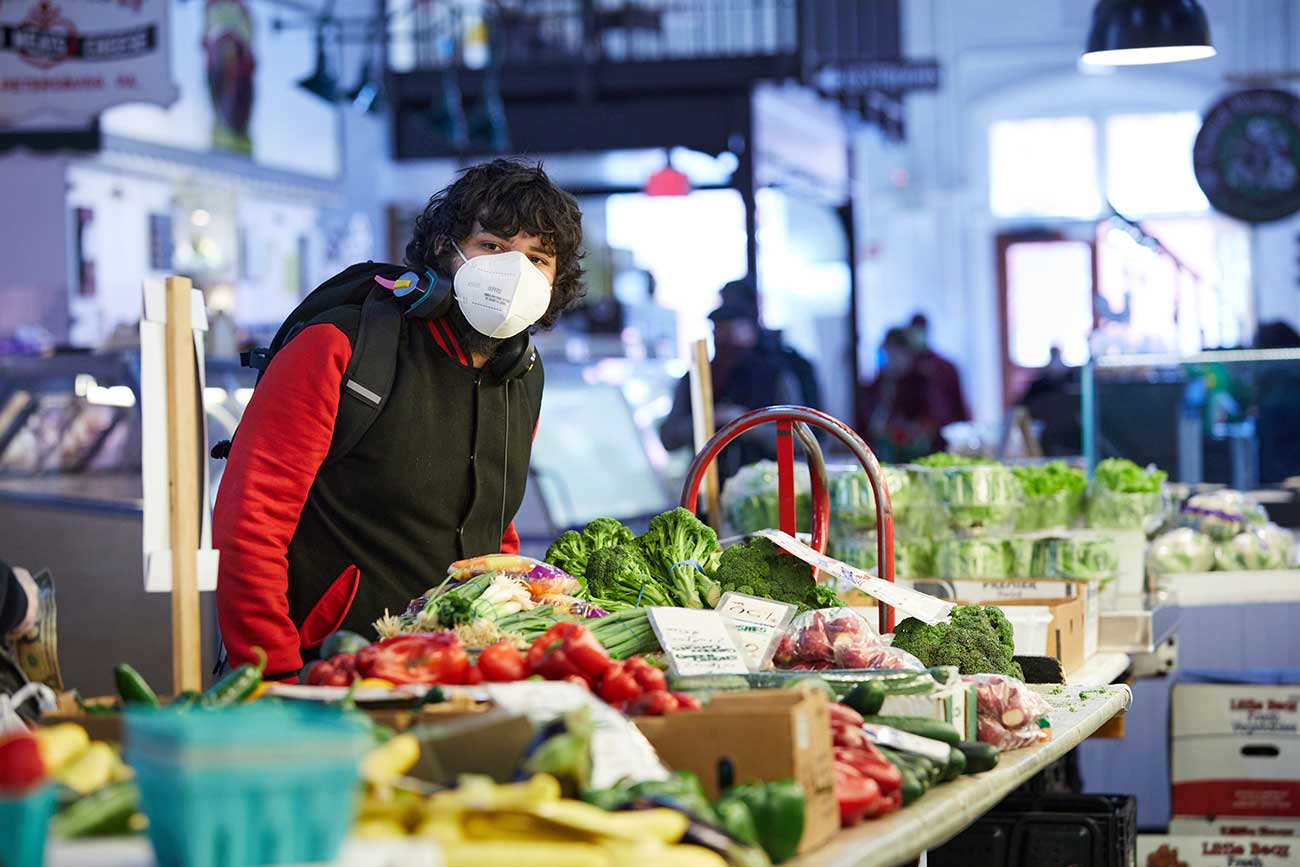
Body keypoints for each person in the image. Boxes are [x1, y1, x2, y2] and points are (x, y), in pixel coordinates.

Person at [213, 159, 585, 680]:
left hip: (463, 672)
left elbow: (494, 530)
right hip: (330, 673)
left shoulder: (522, 374)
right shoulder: (341, 347)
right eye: (493, 246)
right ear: (444, 249)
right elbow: (251, 521)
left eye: (538, 257)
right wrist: (270, 671)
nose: (515, 271)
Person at [659, 279, 817, 480]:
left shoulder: (776, 373)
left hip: (766, 492)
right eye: (719, 330)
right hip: (707, 492)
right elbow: (669, 438)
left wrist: (746, 424)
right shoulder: (698, 376)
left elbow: (801, 441)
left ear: (750, 330)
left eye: (731, 329)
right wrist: (711, 418)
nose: (724, 338)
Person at [906, 313, 970, 432]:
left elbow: (959, 405)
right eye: (915, 331)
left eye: (921, 330)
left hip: (946, 431)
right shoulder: (907, 371)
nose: (918, 336)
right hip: (918, 437)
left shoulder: (945, 367)